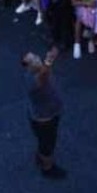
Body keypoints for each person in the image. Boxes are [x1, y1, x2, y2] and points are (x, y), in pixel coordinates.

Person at [22, 48, 66, 179]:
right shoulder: (33, 79)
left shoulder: (40, 70)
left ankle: (40, 156)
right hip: (44, 120)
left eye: (35, 56)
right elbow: (43, 76)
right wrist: (49, 60)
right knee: (48, 144)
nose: (36, 59)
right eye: (32, 60)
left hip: (49, 114)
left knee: (44, 141)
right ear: (28, 67)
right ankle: (47, 168)